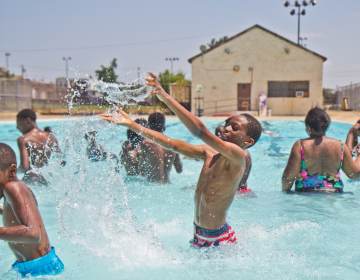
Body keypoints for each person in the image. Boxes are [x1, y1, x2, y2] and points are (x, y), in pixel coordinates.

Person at [100, 73, 262, 248]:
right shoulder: (210, 153)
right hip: (199, 234)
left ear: (247, 142)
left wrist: (166, 97)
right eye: (227, 123)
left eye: (235, 128)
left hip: (218, 240)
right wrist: (133, 126)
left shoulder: (239, 156)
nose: (227, 128)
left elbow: (200, 130)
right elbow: (173, 145)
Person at [0, 143, 64, 277]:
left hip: (40, 270)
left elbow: (33, 234)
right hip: (32, 267)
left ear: (11, 171)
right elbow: (13, 214)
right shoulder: (12, 191)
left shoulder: (13, 188)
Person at [282, 108, 360, 193]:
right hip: (333, 197)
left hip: (305, 197)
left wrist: (286, 192)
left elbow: (287, 178)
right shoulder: (341, 146)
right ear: (326, 126)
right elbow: (354, 174)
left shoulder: (300, 146)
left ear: (308, 127)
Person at [16, 109, 62, 185]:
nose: (17, 127)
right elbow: (60, 159)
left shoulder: (23, 139)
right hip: (47, 179)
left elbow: (25, 166)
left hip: (31, 178)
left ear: (27, 121)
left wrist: (13, 172)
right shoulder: (51, 137)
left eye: (18, 123)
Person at [135, 112, 182, 183]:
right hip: (167, 186)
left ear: (148, 126)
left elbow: (141, 171)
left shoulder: (146, 144)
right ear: (164, 127)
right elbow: (179, 170)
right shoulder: (173, 144)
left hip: (152, 187)